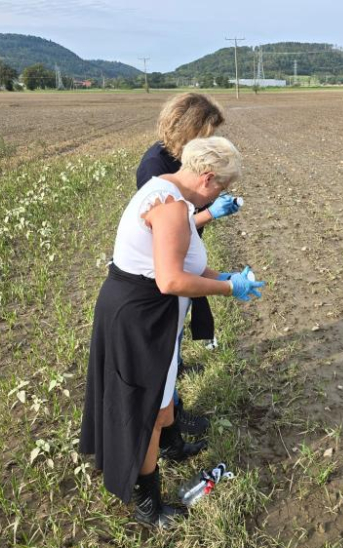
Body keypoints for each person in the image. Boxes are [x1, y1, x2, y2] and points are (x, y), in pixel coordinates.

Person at [81, 136, 264, 527]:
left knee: (161, 410)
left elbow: (186, 265)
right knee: (146, 413)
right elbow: (170, 280)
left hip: (149, 317)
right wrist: (230, 288)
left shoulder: (167, 190)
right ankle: (148, 505)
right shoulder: (169, 208)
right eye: (223, 188)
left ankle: (157, 457)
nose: (221, 196)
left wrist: (225, 276)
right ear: (208, 179)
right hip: (139, 321)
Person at [136, 93, 241, 438]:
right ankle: (171, 426)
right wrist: (210, 213)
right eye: (207, 133)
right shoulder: (157, 168)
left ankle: (172, 412)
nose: (209, 142)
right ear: (189, 129)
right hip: (161, 278)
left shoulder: (179, 163)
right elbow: (165, 236)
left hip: (180, 263)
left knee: (174, 346)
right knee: (163, 355)